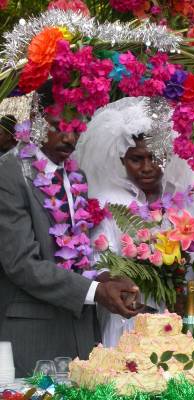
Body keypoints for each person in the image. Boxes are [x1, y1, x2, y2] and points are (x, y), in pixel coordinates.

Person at [0, 84, 142, 378]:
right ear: (36, 120)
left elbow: (73, 255)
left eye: (76, 129)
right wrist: (95, 291)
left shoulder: (75, 174)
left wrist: (104, 278)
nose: (68, 138)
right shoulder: (9, 172)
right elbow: (21, 264)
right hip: (35, 334)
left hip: (81, 333)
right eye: (58, 127)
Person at [75, 96, 194, 348]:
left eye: (155, 157)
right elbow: (99, 266)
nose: (147, 167)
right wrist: (120, 284)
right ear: (122, 160)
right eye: (136, 159)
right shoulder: (109, 205)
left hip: (188, 319)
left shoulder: (192, 202)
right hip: (131, 322)